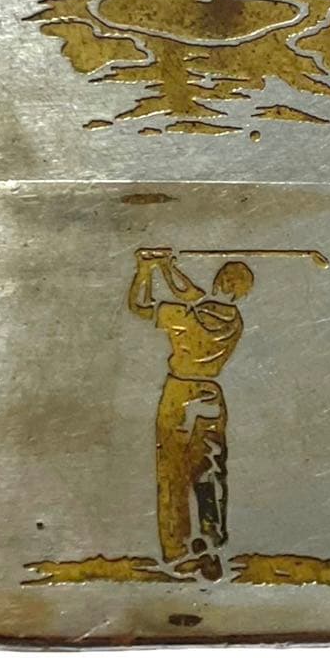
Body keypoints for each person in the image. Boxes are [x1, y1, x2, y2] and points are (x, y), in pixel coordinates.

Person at [128, 248, 254, 580]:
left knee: (174, 472)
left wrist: (145, 270)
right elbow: (194, 295)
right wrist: (168, 267)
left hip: (180, 394)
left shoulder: (186, 316)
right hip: (211, 395)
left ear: (218, 282)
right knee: (209, 471)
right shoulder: (234, 322)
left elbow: (140, 306)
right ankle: (211, 546)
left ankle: (179, 551)